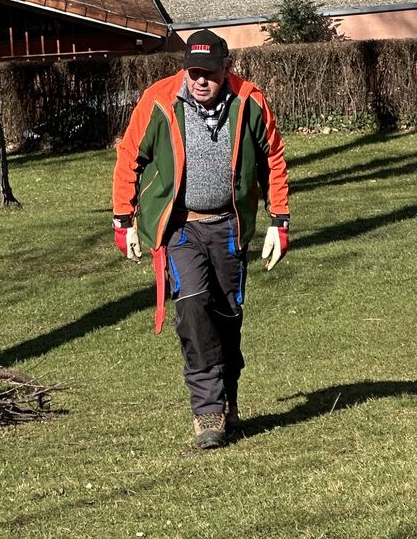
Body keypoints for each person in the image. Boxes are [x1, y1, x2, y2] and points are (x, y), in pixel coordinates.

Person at [111, 28, 290, 451]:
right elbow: (129, 155)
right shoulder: (158, 100)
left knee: (227, 316)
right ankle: (207, 409)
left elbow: (274, 159)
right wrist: (124, 219)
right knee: (192, 307)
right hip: (180, 228)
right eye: (193, 71)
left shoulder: (249, 101)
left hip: (229, 226)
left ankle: (228, 396)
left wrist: (279, 222)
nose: (200, 80)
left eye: (209, 72)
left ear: (226, 70)